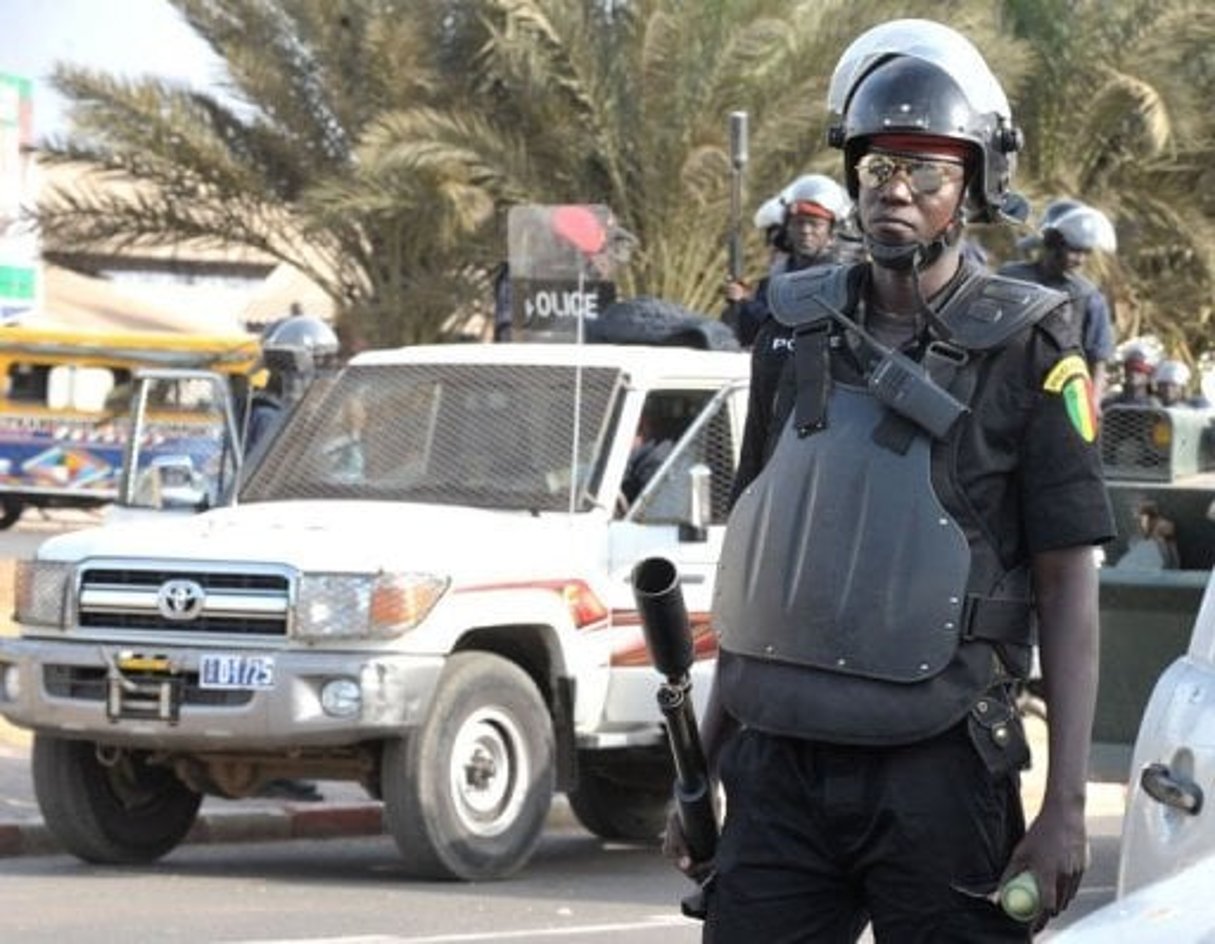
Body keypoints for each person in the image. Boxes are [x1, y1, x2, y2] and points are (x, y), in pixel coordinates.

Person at [667, 19, 1114, 942]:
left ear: (974, 185)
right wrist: (701, 764)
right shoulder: (789, 330)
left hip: (939, 763)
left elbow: (1068, 581)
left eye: (926, 171)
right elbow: (760, 558)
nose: (895, 193)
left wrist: (1063, 807)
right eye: (876, 170)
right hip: (780, 757)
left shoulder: (1030, 344)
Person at [999, 200, 1118, 404]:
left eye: (1085, 253)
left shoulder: (1087, 296)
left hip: (1060, 396)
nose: (1080, 260)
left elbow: (1098, 359)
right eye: (1074, 251)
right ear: (1052, 245)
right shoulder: (1011, 278)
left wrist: (1092, 403)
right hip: (1004, 388)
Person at [723, 173, 852, 348]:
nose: (806, 231)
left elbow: (791, 324)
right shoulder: (777, 274)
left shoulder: (837, 277)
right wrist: (741, 303)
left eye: (815, 224)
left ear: (830, 232)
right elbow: (752, 334)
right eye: (799, 223)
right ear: (788, 228)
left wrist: (748, 303)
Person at [1101, 343, 1158, 408]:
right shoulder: (1110, 404)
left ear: (1148, 376)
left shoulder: (1154, 407)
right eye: (1130, 369)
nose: (1133, 373)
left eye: (1139, 370)